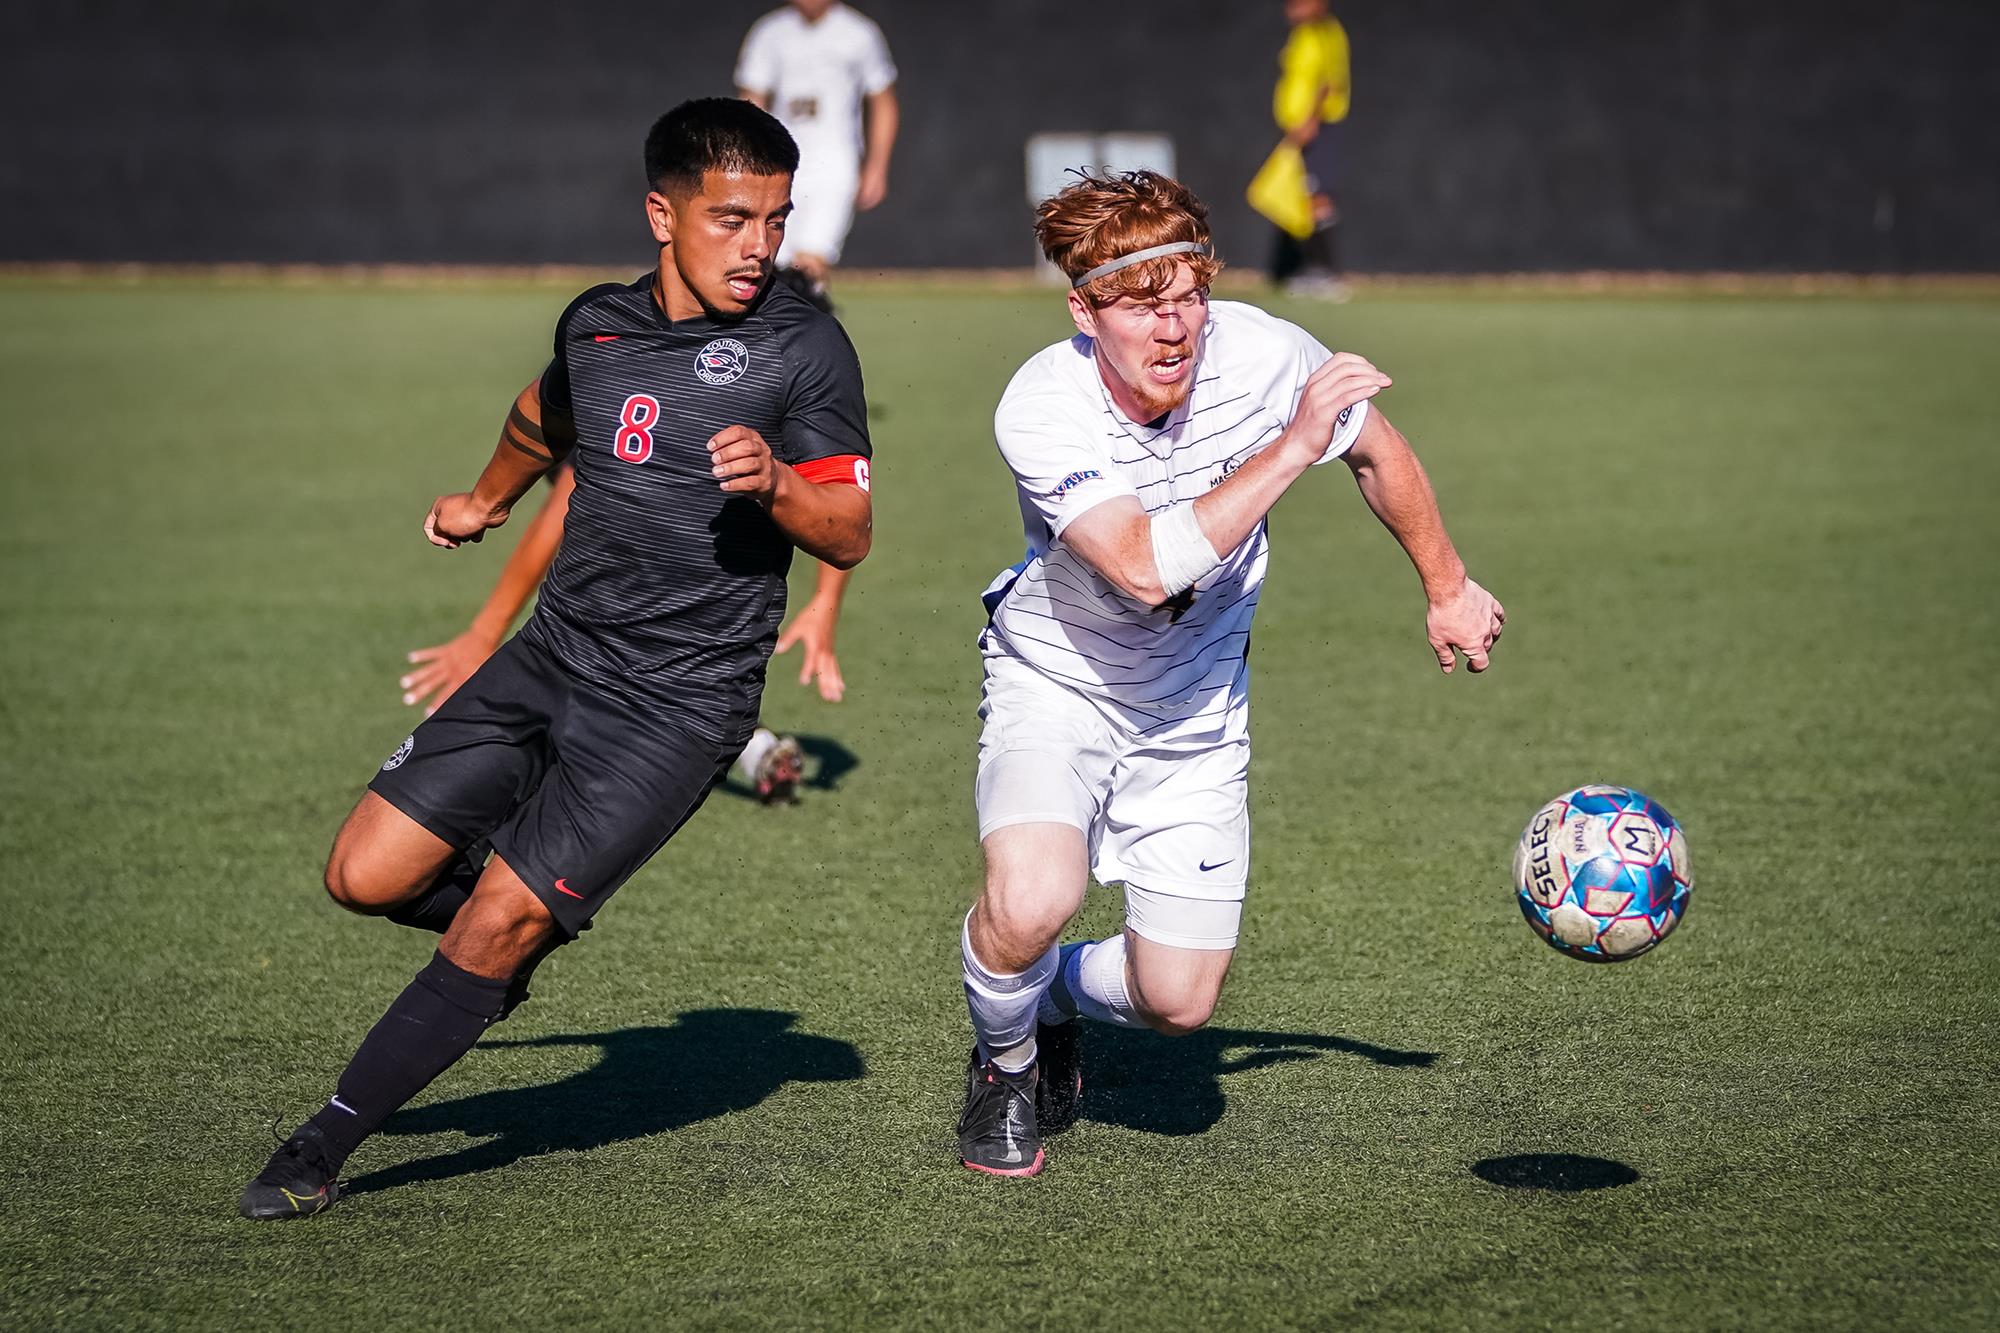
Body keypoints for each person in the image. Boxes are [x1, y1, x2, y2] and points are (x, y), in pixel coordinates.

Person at [238, 97, 874, 1219]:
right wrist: (482, 500)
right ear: (659, 215)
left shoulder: (802, 343)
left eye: (774, 220)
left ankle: (320, 1146)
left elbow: (850, 532)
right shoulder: (597, 325)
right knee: (363, 874)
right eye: (731, 220)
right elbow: (542, 419)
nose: (759, 247)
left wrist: (776, 484)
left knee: (501, 916)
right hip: (552, 659)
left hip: (678, 707)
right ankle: (500, 957)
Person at [953, 170, 1503, 1176]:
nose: (1174, 327)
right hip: (1058, 682)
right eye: (1139, 303)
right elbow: (1138, 564)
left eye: (1189, 294)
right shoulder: (1042, 402)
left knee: (1178, 1003)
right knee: (1031, 897)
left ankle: (1049, 993)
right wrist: (1294, 446)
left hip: (1196, 707)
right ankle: (1003, 1060)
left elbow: (1375, 450)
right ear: (1083, 310)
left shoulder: (1261, 353)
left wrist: (1447, 583)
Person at [398, 462, 856, 801]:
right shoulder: (613, 357)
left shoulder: (780, 362)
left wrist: (826, 604)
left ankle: (743, 741)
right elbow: (559, 492)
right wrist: (484, 630)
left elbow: (835, 493)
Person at [734, 0, 899, 309]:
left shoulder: (858, 32)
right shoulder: (770, 32)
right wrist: (750, 160)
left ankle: (805, 340)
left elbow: (883, 100)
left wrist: (876, 167)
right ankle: (764, 340)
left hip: (834, 163)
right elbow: (751, 100)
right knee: (767, 259)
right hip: (781, 163)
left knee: (810, 262)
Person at [1270, 0, 1352, 298]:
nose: (1292, 9)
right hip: (1302, 130)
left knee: (1317, 196)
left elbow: (1328, 82)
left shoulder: (1325, 33)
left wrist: (1310, 119)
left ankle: (1326, 274)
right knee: (1305, 196)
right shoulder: (1302, 34)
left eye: (1300, 3)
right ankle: (1317, 271)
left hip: (1318, 128)